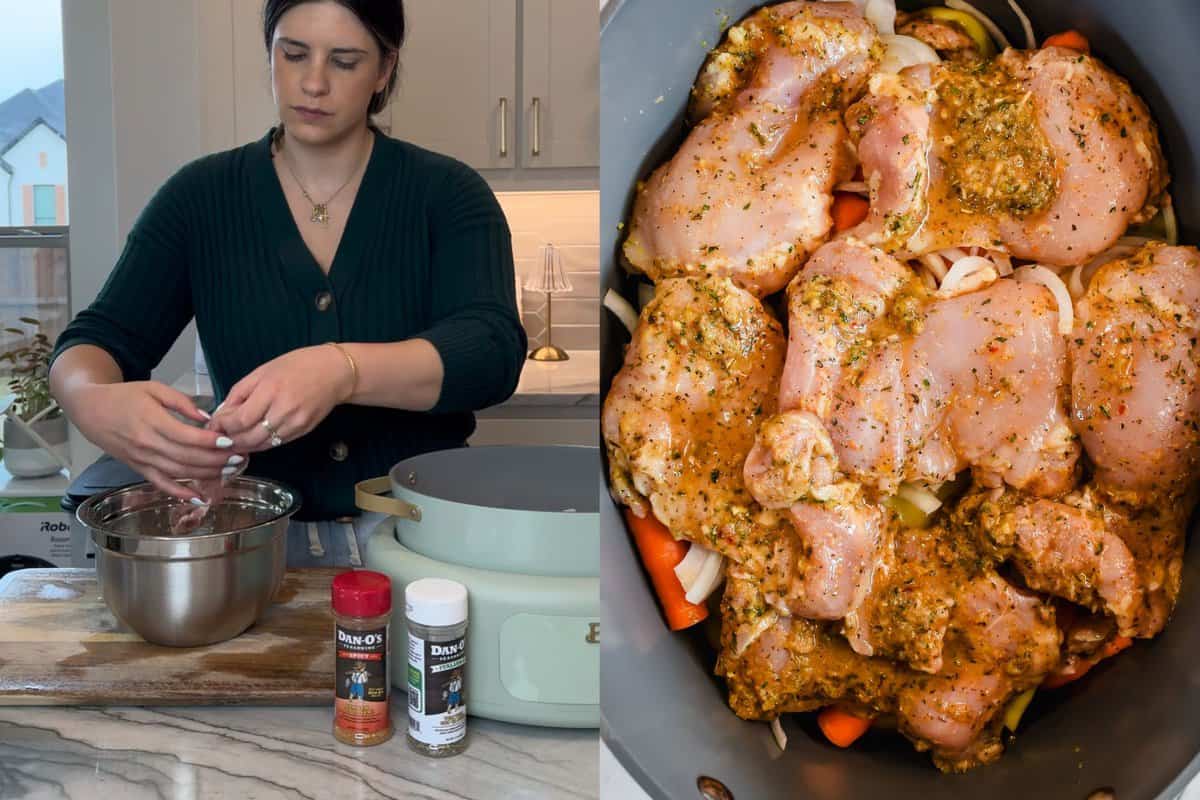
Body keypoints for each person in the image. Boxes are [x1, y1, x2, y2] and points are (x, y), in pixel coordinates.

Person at [49, 0, 526, 556]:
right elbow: (96, 341)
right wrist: (91, 401)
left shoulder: (447, 194)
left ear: (385, 69)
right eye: (293, 54)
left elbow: (491, 352)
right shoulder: (199, 199)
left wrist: (339, 369)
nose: (313, 83)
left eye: (344, 61)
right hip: (257, 540)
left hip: (425, 534)